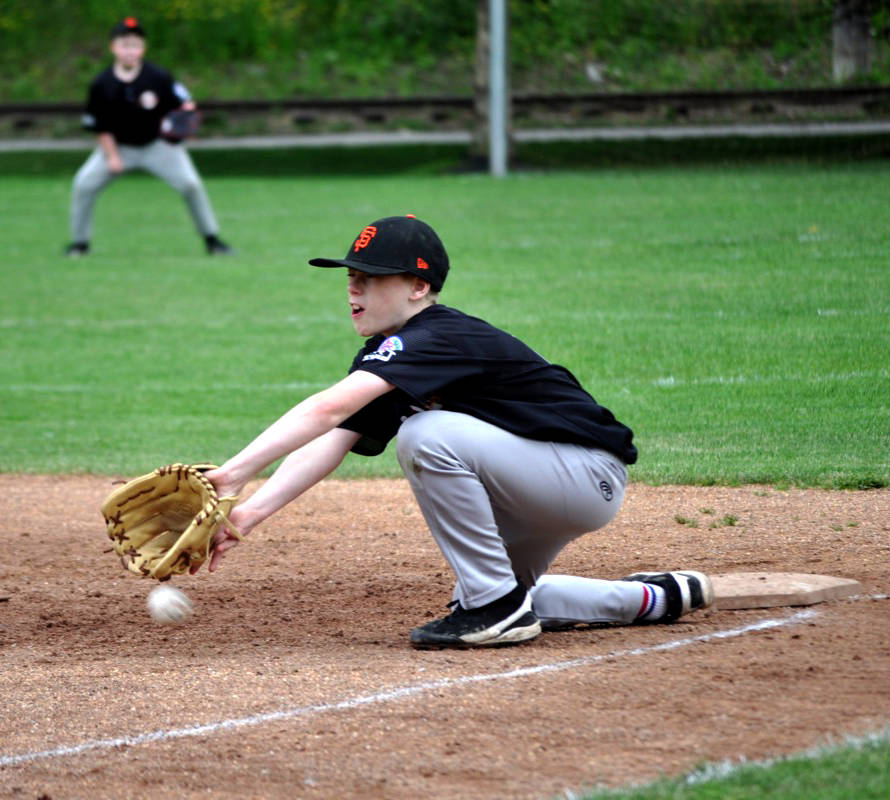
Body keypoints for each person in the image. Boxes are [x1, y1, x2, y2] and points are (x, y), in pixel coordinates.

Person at [201, 215, 713, 648]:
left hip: (580, 473)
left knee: (426, 435)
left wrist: (232, 473)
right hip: (542, 481)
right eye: (351, 276)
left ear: (419, 287)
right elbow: (330, 442)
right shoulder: (390, 353)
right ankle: (653, 597)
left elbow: (327, 410)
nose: (354, 288)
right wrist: (245, 515)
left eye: (372, 278)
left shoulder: (436, 335)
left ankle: (496, 607)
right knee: (490, 592)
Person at [65, 17, 232, 257]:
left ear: (142, 48)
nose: (130, 50)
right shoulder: (102, 84)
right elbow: (100, 126)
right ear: (113, 47)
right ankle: (79, 244)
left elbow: (185, 103)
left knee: (191, 185)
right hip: (118, 147)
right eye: (124, 44)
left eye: (135, 44)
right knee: (83, 184)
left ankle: (212, 240)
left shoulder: (158, 77)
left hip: (158, 145)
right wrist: (112, 157)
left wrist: (185, 118)